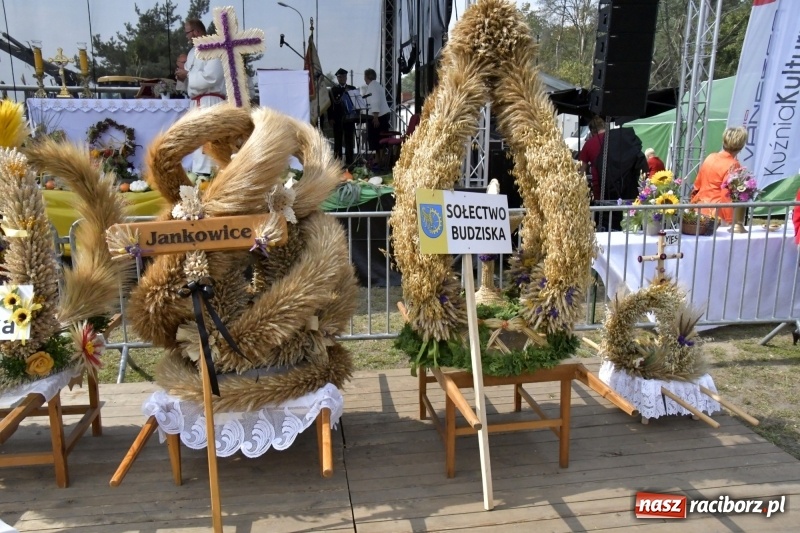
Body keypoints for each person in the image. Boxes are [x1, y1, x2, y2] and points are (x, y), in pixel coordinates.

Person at [175, 18, 225, 176]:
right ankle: (199, 174)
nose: (186, 36)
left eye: (187, 32)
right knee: (197, 141)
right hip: (196, 104)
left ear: (196, 31)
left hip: (211, 102)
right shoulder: (191, 53)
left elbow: (212, 77)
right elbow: (190, 79)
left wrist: (188, 74)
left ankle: (211, 174)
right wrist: (182, 79)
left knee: (210, 140)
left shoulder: (214, 49)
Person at [691, 126, 748, 224]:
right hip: (716, 214)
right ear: (741, 146)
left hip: (699, 207)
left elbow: (697, 185)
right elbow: (727, 195)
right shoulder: (733, 164)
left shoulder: (710, 157)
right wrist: (731, 220)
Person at [327, 68, 356, 166]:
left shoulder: (352, 88)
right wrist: (330, 118)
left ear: (346, 77)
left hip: (350, 117)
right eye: (340, 77)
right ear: (337, 78)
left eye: (344, 76)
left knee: (349, 140)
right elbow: (330, 105)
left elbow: (355, 103)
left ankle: (350, 162)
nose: (342, 78)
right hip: (337, 118)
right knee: (338, 141)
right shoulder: (333, 90)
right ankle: (337, 162)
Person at [363, 68, 390, 168]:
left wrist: (375, 116)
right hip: (381, 115)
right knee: (378, 139)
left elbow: (375, 101)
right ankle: (378, 158)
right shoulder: (377, 85)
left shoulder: (373, 86)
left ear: (366, 77)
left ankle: (380, 159)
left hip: (379, 116)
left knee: (377, 138)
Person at [578, 115, 606, 200]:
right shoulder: (615, 138)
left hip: (599, 187)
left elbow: (581, 171)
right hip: (620, 186)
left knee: (601, 212)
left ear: (592, 130)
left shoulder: (588, 144)